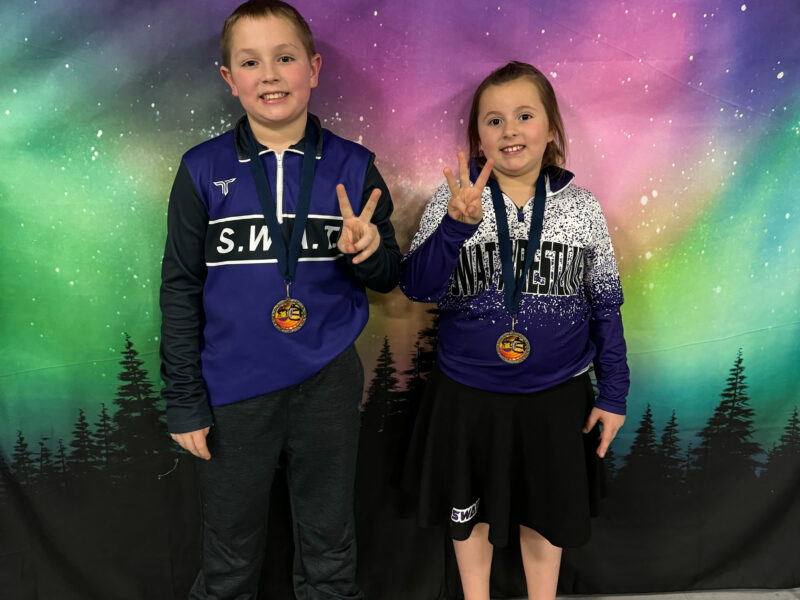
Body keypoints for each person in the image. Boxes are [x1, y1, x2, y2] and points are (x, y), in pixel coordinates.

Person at [159, 1, 400, 598]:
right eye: (250, 62)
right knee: (229, 549)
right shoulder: (201, 169)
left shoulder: (355, 166)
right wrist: (185, 400)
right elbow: (181, 287)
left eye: (285, 58)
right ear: (229, 78)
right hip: (232, 388)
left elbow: (388, 276)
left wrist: (368, 252)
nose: (269, 75)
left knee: (328, 543)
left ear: (313, 68)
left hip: (327, 382)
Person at [400, 61, 629, 600]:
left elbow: (606, 305)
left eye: (525, 116)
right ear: (477, 137)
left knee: (545, 516)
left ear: (551, 128)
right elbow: (417, 287)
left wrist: (614, 393)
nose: (510, 130)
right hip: (468, 394)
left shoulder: (582, 207)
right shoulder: (453, 201)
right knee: (470, 518)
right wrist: (454, 226)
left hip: (556, 395)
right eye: (494, 120)